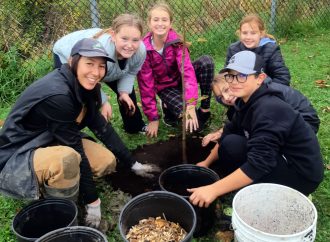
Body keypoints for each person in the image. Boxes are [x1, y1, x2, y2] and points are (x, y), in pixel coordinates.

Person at [0, 38, 158, 228]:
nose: (95, 72)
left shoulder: (87, 87)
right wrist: (93, 203)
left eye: (101, 66)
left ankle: (65, 180)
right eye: (89, 64)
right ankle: (63, 208)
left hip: (50, 138)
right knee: (68, 159)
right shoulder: (59, 96)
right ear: (72, 62)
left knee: (106, 162)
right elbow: (76, 150)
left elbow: (103, 128)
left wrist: (133, 164)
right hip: (19, 152)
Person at [188, 51, 324, 208]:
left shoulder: (269, 109)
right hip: (278, 157)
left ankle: (281, 196)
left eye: (242, 75)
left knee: (248, 157)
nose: (234, 82)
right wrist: (205, 163)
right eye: (231, 76)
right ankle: (247, 185)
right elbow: (227, 133)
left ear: (260, 78)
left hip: (300, 175)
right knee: (230, 142)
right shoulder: (245, 102)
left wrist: (213, 189)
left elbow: (259, 163)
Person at [200, 71, 320, 165]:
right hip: (280, 120)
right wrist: (220, 133)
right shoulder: (241, 102)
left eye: (226, 89)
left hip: (305, 122)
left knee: (253, 142)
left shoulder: (264, 97)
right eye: (220, 97)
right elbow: (233, 126)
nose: (226, 98)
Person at [53, 14, 147, 134]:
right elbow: (87, 78)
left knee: (128, 95)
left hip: (108, 65)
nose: (129, 45)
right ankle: (70, 133)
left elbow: (130, 72)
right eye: (124, 38)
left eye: (135, 40)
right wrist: (103, 101)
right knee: (76, 96)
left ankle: (134, 127)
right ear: (113, 36)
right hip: (65, 54)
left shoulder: (140, 51)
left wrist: (123, 92)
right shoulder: (102, 51)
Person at [137, 2, 214, 137]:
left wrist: (190, 104)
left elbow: (187, 71)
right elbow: (146, 85)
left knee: (206, 62)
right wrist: (153, 118)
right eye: (156, 20)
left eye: (164, 20)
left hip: (181, 80)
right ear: (149, 23)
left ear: (170, 23)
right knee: (194, 128)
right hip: (165, 88)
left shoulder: (176, 42)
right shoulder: (144, 50)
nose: (160, 23)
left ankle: (204, 110)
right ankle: (168, 109)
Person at [226, 13, 290, 86]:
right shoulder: (233, 49)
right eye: (244, 33)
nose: (248, 37)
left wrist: (268, 92)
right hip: (240, 89)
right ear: (240, 33)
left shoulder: (271, 49)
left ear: (261, 34)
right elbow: (227, 74)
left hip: (264, 89)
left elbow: (282, 77)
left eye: (253, 33)